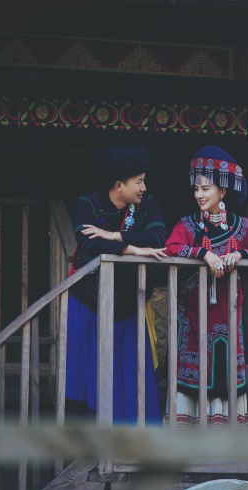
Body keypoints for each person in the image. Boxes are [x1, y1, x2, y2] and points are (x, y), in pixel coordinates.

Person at [165, 145, 248, 427]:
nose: (199, 195)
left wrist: (241, 255)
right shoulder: (187, 226)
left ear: (223, 192)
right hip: (193, 319)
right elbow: (170, 248)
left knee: (225, 372)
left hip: (229, 319)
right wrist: (204, 254)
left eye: (206, 189)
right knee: (192, 375)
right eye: (196, 189)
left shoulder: (242, 228)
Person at [65, 141, 167, 424]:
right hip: (89, 303)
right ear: (120, 185)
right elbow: (87, 243)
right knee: (88, 373)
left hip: (129, 303)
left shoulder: (148, 204)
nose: (144, 187)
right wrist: (134, 249)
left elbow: (159, 238)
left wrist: (114, 237)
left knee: (133, 375)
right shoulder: (87, 204)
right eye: (139, 182)